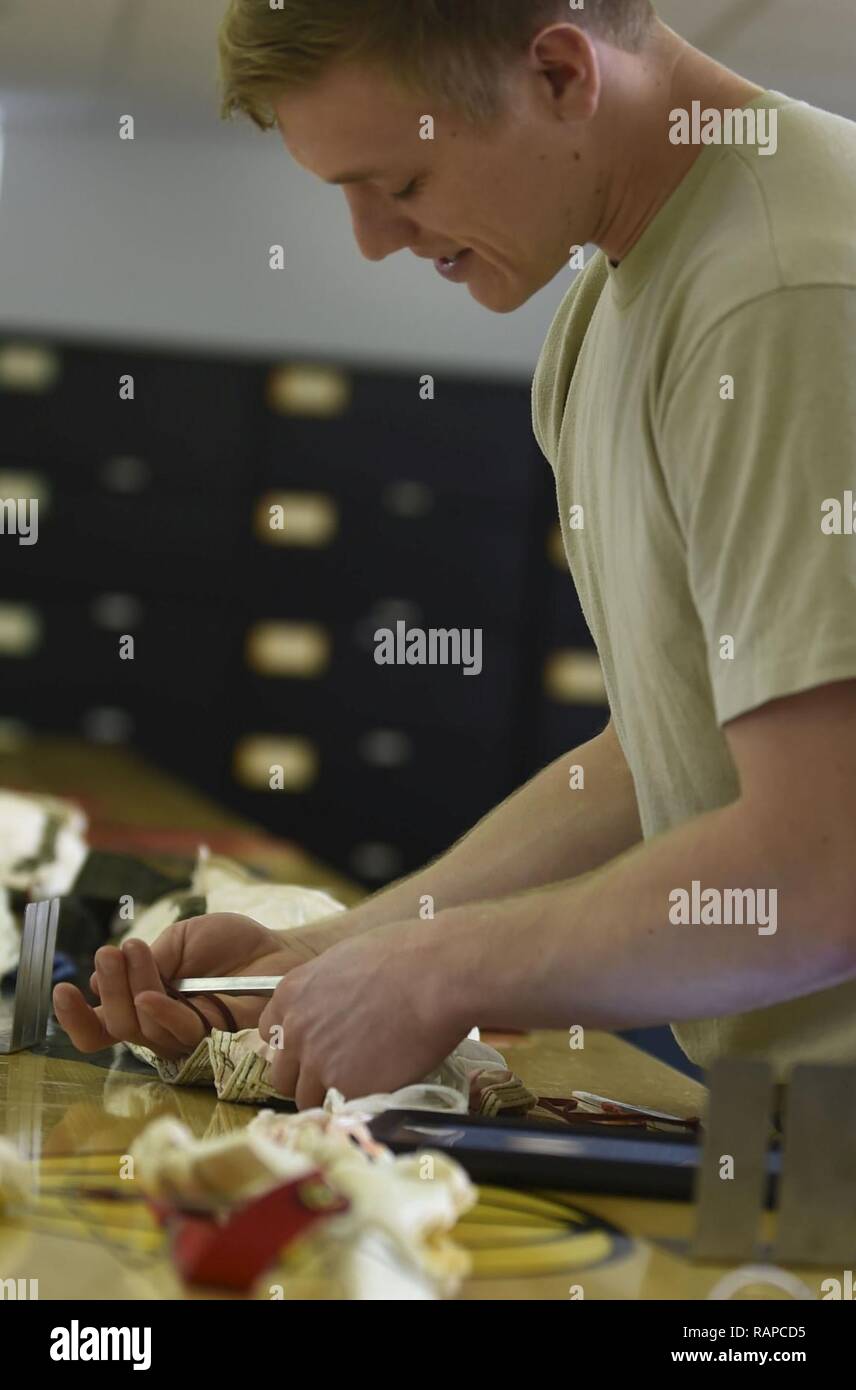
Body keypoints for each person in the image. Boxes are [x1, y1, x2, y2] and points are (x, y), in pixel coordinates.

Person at [54, 1, 856, 1109]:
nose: (374, 239)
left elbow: (821, 863)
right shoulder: (610, 310)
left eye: (405, 185)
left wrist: (441, 971)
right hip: (792, 1127)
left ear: (562, 74)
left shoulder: (779, 293)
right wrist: (335, 953)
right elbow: (665, 744)